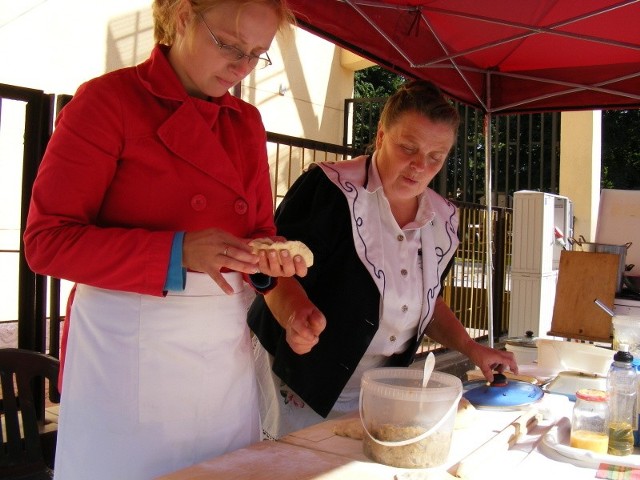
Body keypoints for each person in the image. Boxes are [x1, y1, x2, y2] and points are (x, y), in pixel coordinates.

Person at [23, 1, 302, 479]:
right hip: (127, 349)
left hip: (221, 351)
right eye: (230, 45)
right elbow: (47, 242)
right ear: (180, 18)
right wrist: (177, 251)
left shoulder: (246, 122)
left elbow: (259, 232)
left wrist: (267, 263)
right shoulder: (106, 102)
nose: (242, 66)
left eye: (258, 53)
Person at [248, 79, 519, 439]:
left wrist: (471, 347)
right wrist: (295, 313)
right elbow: (271, 268)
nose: (420, 166)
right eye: (408, 147)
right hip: (298, 380)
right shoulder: (330, 189)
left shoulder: (443, 222)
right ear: (380, 136)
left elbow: (428, 304)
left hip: (379, 389)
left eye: (436, 157)